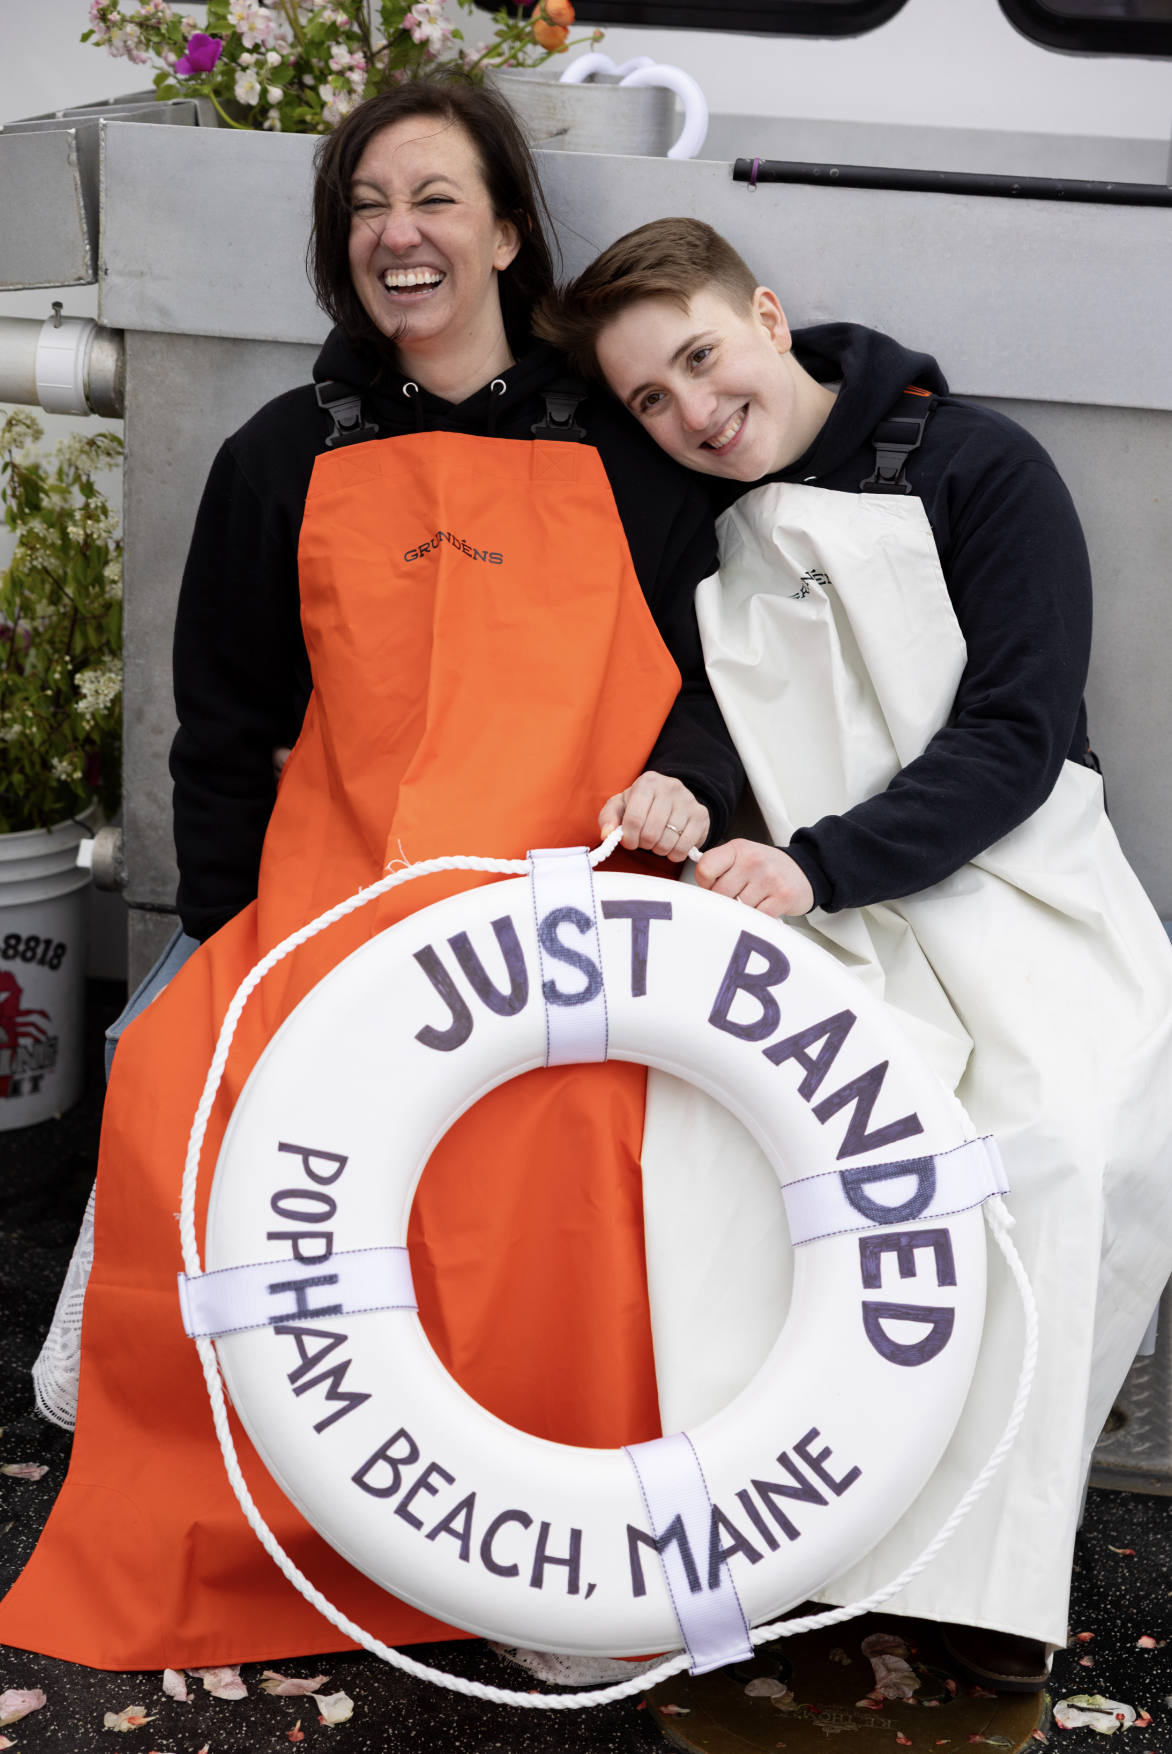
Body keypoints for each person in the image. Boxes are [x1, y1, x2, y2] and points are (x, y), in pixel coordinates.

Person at [0, 94, 744, 1672]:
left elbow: (724, 672)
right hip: (339, 902)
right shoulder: (287, 452)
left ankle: (556, 1544)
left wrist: (691, 788)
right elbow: (224, 722)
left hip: (572, 902)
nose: (397, 233)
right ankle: (267, 1522)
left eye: (435, 198)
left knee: (577, 1126)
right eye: (364, 206)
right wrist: (222, 933)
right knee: (187, 1078)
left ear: (508, 231)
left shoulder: (629, 446)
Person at [534, 217, 1172, 1692]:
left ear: (767, 315)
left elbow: (1016, 734)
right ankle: (775, 1557)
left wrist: (820, 862)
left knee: (1061, 1152)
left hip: (1013, 887)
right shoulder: (699, 521)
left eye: (704, 358)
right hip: (821, 915)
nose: (696, 412)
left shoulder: (981, 467)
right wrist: (683, 787)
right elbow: (714, 707)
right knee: (732, 1154)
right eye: (652, 399)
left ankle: (985, 1586)